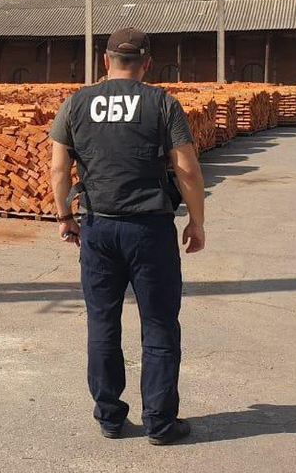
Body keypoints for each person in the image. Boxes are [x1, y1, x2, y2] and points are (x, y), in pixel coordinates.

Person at [49, 27, 206, 446]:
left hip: (98, 226)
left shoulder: (76, 103)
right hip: (149, 229)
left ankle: (110, 417)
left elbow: (59, 169)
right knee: (158, 325)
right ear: (147, 63)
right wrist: (196, 219)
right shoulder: (163, 104)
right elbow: (186, 169)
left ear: (105, 61)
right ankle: (160, 423)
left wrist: (65, 216)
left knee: (102, 322)